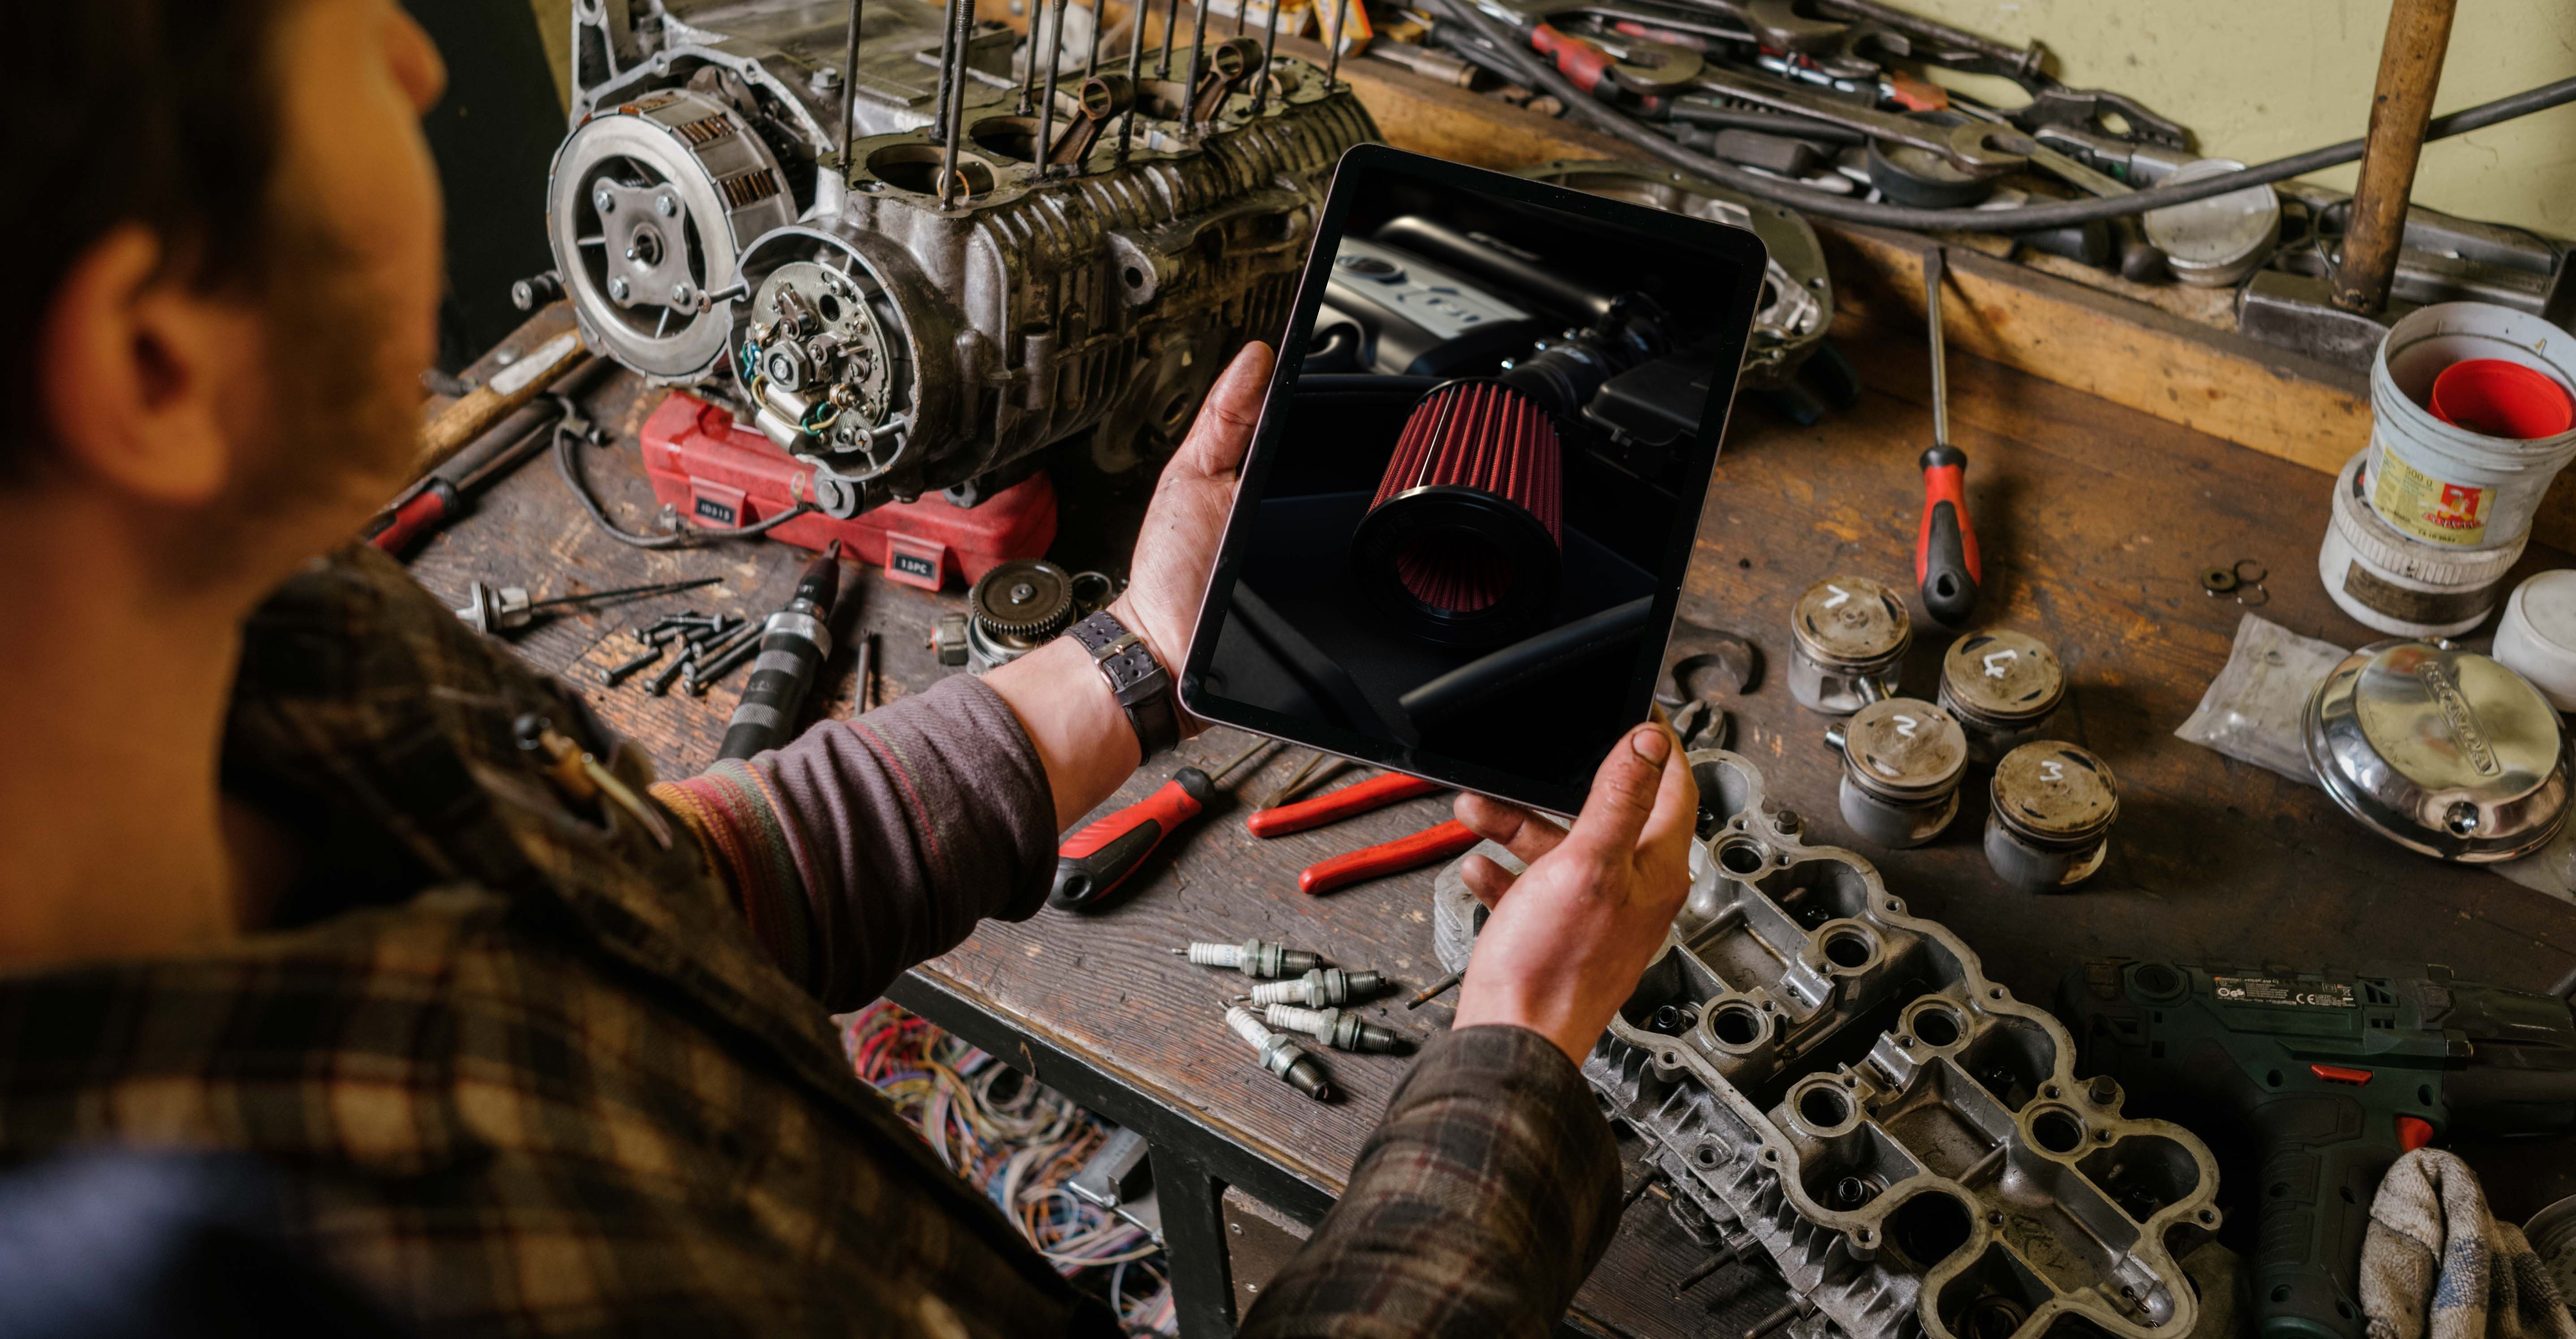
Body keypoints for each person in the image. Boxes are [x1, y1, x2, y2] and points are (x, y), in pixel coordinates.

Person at [0, 0, 1700, 1334]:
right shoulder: (271, 1269)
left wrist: (1139, 654)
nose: (419, 56)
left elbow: (644, 894)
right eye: (332, 35)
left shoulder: (282, 663)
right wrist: (1513, 1052)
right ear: (152, 364)